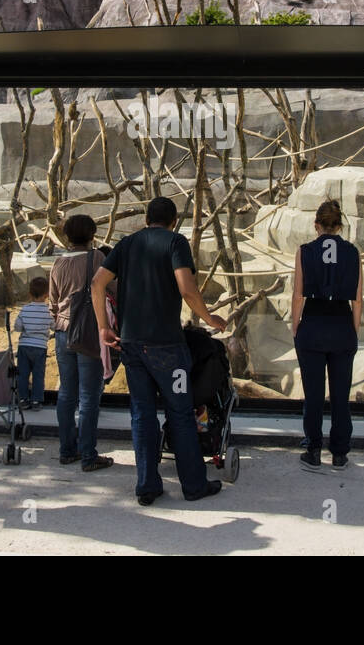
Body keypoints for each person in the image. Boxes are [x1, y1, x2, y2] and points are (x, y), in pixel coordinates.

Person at [92, 196, 227, 505]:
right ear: (173, 221)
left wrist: (103, 327)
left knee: (142, 414)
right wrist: (209, 318)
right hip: (167, 345)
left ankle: (147, 486)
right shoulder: (175, 242)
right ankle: (193, 486)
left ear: (145, 219)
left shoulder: (126, 244)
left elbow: (97, 284)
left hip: (132, 345)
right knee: (180, 413)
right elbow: (187, 288)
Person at [291, 199, 362, 473]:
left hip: (313, 323)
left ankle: (313, 448)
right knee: (341, 394)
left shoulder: (305, 251)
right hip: (342, 323)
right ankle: (341, 453)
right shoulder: (352, 252)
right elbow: (357, 299)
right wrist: (353, 329)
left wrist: (295, 325)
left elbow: (298, 294)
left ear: (317, 225)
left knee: (314, 393)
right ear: (340, 226)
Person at [48, 214, 113, 472]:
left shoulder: (58, 263)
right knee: (89, 395)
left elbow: (52, 302)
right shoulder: (97, 258)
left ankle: (67, 450)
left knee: (66, 392)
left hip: (63, 331)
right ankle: (88, 455)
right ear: (92, 234)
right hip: (88, 330)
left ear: (67, 236)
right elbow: (112, 288)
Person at [14, 276, 53, 410]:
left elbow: (17, 327)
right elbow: (53, 325)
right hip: (40, 347)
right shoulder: (48, 311)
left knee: (23, 374)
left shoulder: (25, 309)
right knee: (38, 374)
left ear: (30, 293)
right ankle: (36, 400)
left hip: (24, 346)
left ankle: (23, 399)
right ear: (47, 294)